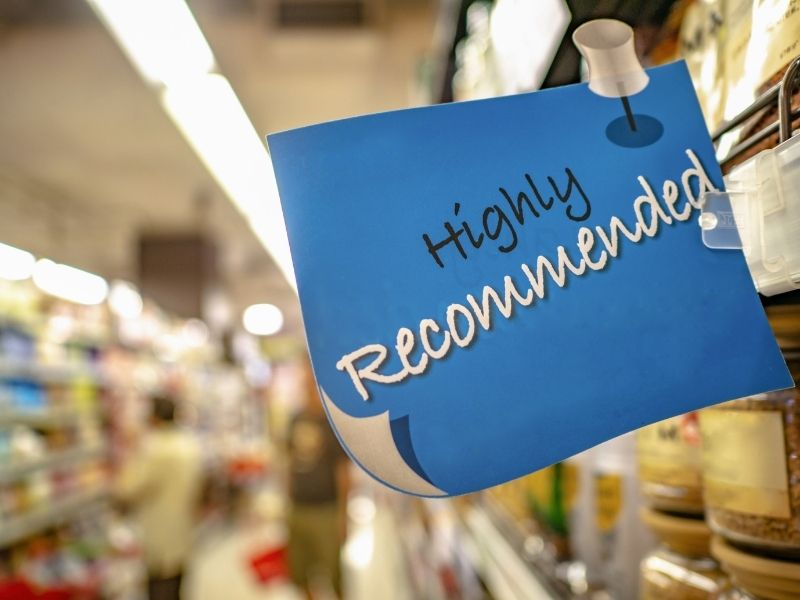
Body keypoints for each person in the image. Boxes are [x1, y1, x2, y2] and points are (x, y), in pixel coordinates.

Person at [114, 395, 203, 600]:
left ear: (153, 418)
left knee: (161, 587)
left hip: (159, 532)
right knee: (178, 582)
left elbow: (127, 488)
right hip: (183, 527)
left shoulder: (155, 449)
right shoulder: (188, 444)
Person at [286, 360, 350, 599]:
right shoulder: (295, 419)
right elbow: (290, 463)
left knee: (334, 575)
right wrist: (287, 501)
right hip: (298, 508)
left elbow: (343, 472)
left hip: (326, 510)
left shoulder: (332, 425)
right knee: (300, 573)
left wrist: (343, 515)